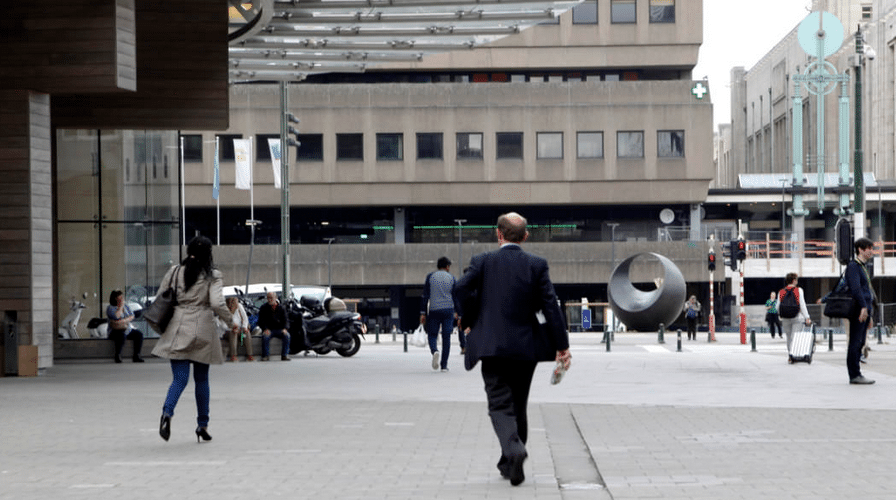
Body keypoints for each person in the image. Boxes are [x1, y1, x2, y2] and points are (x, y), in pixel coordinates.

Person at [453, 212, 571, 487]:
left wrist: (468, 319)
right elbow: (551, 306)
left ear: (498, 234)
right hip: (525, 347)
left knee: (499, 404)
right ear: (525, 236)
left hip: (491, 346)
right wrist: (562, 346)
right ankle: (510, 463)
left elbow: (459, 289)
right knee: (518, 405)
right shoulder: (537, 265)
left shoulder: (482, 261)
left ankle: (514, 451)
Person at [152, 236, 236, 443]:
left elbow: (161, 296)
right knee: (201, 379)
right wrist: (231, 321)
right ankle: (202, 425)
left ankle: (167, 412)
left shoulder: (174, 272)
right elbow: (217, 303)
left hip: (178, 327)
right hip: (203, 329)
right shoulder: (212, 275)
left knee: (179, 379)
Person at [845, 237, 876, 385]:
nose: (871, 251)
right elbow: (856, 289)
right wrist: (863, 307)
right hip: (858, 308)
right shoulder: (853, 266)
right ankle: (854, 374)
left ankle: (857, 373)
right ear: (860, 250)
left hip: (865, 309)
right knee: (855, 341)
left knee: (861, 341)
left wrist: (869, 314)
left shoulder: (863, 266)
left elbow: (867, 290)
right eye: (869, 248)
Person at [420, 256, 457, 371]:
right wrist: (458, 313)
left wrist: (423, 313)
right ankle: (444, 365)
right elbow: (456, 297)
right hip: (448, 310)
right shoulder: (452, 278)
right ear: (447, 267)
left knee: (432, 335)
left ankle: (434, 350)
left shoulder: (430, 277)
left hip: (434, 310)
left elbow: (425, 296)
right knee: (446, 337)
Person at [775, 273, 811, 360]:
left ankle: (790, 355)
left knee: (789, 337)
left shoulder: (781, 291)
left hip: (785, 318)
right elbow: (802, 305)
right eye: (796, 280)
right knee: (795, 337)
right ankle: (793, 354)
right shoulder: (799, 290)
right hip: (797, 317)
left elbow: (777, 307)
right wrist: (807, 317)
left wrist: (781, 315)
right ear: (794, 280)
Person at [106, 290, 144, 363]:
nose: (122, 299)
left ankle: (137, 355)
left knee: (139, 334)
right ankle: (118, 355)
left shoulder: (126, 306)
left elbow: (132, 316)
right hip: (115, 331)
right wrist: (120, 307)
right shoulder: (110, 308)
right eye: (120, 297)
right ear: (115, 298)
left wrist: (122, 321)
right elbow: (116, 316)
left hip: (126, 328)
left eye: (122, 297)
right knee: (121, 335)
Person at [258, 291, 291, 361]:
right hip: (269, 329)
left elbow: (286, 320)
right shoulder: (264, 308)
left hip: (279, 329)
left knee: (287, 336)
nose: (269, 300)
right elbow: (261, 321)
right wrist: (265, 329)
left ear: (276, 298)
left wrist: (285, 328)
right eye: (268, 298)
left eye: (271, 298)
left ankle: (284, 355)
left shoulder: (282, 308)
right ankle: (265, 355)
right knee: (265, 337)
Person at [225, 296, 254, 362]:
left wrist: (244, 327)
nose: (236, 304)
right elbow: (222, 324)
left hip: (240, 330)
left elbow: (245, 318)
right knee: (233, 333)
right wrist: (232, 328)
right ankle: (233, 356)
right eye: (234, 302)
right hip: (228, 331)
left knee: (246, 333)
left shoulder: (239, 306)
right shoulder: (225, 309)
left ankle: (250, 355)